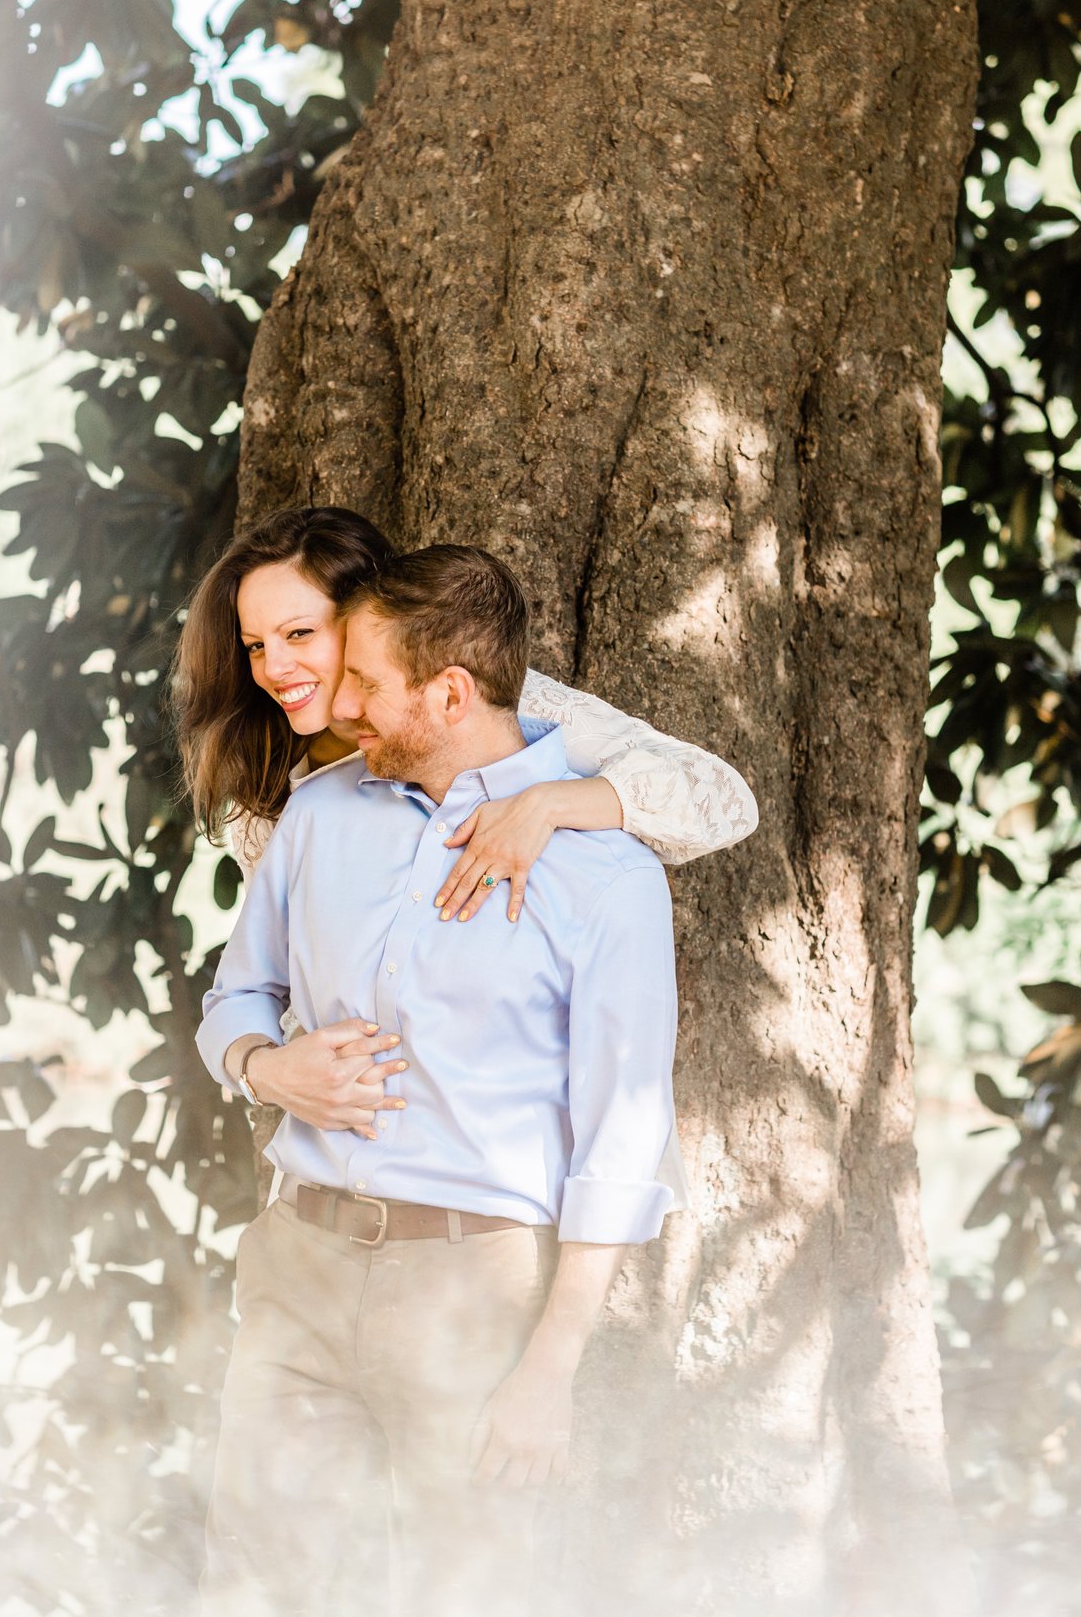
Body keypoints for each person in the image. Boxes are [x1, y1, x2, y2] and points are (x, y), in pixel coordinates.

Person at [194, 545, 681, 1617]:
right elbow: (233, 999)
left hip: (472, 1288)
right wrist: (270, 1067)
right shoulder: (319, 814)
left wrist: (548, 1368)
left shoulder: (605, 878)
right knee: (257, 1585)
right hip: (298, 1263)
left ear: (449, 692)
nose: (335, 703)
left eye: (361, 682)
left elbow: (620, 1146)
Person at [174, 505, 753, 1148]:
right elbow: (268, 980)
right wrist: (270, 1071)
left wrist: (547, 805)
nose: (273, 669)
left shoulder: (477, 701)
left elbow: (721, 797)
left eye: (300, 634)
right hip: (334, 1139)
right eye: (256, 645)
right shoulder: (273, 789)